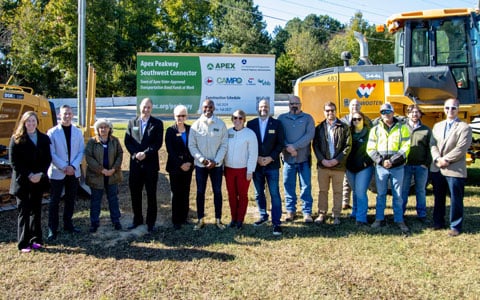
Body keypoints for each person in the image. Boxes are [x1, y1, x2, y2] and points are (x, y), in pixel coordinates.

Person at [9, 111, 52, 252]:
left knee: (36, 210)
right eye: (28, 121)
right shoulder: (16, 139)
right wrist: (29, 174)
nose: (31, 124)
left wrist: (40, 174)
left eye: (33, 121)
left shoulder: (44, 139)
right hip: (23, 181)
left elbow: (47, 159)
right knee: (24, 211)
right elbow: (14, 162)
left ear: (37, 122)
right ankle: (23, 243)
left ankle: (36, 239)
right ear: (24, 122)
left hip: (38, 180)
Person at [430, 98, 472, 237]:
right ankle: (438, 222)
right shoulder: (437, 126)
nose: (450, 110)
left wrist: (446, 159)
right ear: (444, 108)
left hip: (454, 168)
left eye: (453, 108)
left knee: (455, 199)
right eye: (447, 108)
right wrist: (437, 159)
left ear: (458, 109)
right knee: (439, 197)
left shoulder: (464, 127)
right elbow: (433, 144)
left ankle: (455, 226)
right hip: (438, 167)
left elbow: (461, 148)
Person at [367, 103, 410, 232]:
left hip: (397, 167)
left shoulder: (402, 128)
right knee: (381, 194)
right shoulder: (375, 129)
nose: (386, 114)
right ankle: (379, 219)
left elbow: (406, 147)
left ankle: (399, 220)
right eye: (383, 112)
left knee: (398, 195)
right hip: (381, 167)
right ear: (380, 114)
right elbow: (370, 148)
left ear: (393, 112)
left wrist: (392, 161)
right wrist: (381, 161)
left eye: (388, 111)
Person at [247, 99, 285, 236]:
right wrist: (257, 158)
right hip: (256, 165)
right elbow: (249, 144)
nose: (264, 109)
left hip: (272, 164)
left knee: (274, 193)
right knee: (258, 193)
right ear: (258, 108)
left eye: (266, 107)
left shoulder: (277, 124)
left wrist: (270, 158)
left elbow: (280, 144)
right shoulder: (250, 124)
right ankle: (263, 215)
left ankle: (276, 223)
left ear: (270, 108)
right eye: (261, 106)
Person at [124, 97, 163, 232]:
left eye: (148, 107)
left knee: (151, 194)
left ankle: (150, 222)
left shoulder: (157, 123)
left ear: (151, 109)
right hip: (135, 165)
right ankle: (137, 219)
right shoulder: (132, 122)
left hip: (150, 165)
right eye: (144, 107)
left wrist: (145, 153)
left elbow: (157, 143)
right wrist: (135, 154)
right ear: (140, 107)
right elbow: (127, 141)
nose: (146, 110)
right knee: (135, 194)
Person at [188, 99, 228, 230]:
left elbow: (224, 145)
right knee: (200, 192)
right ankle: (200, 220)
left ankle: (218, 220)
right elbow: (192, 146)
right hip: (201, 166)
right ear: (202, 108)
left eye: (210, 107)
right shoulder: (195, 126)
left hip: (216, 166)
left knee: (217, 192)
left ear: (214, 108)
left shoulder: (221, 124)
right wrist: (202, 160)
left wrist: (215, 161)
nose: (208, 109)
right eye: (205, 107)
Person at [47, 104, 85, 240]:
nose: (67, 116)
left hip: (73, 172)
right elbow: (51, 153)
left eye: (69, 113)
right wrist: (64, 167)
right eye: (65, 114)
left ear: (72, 115)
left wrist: (73, 167)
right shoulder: (52, 132)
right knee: (54, 201)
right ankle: (52, 228)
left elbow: (81, 151)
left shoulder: (77, 132)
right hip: (58, 172)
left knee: (70, 199)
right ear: (59, 115)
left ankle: (68, 224)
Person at [278, 95, 315, 223]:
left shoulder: (308, 118)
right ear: (288, 105)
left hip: (303, 159)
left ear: (301, 104)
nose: (294, 105)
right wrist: (288, 147)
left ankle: (307, 212)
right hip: (288, 160)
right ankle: (290, 210)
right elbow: (279, 136)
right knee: (288, 185)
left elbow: (309, 135)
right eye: (292, 103)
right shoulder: (282, 118)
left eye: (296, 103)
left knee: (305, 186)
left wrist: (294, 146)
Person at [313, 102, 351, 225]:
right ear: (324, 112)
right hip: (323, 165)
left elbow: (348, 146)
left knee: (338, 191)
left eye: (332, 110)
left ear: (336, 111)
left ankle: (336, 215)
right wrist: (322, 160)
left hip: (338, 166)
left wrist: (337, 160)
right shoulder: (319, 128)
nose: (330, 113)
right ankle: (322, 213)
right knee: (323, 191)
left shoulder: (344, 127)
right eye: (328, 110)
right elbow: (316, 145)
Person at [85, 118, 123, 233]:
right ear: (97, 129)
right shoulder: (92, 142)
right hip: (97, 176)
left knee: (113, 199)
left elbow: (120, 154)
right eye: (101, 127)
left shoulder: (114, 141)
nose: (103, 129)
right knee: (96, 200)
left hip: (112, 175)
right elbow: (89, 157)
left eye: (105, 127)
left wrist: (113, 169)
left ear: (109, 129)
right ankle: (94, 222)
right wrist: (101, 170)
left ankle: (116, 221)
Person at [224, 110, 258, 229]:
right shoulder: (227, 133)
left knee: (242, 195)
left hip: (243, 170)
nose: (237, 120)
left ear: (244, 120)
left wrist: (250, 170)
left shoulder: (250, 134)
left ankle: (240, 220)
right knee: (231, 195)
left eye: (240, 118)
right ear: (232, 119)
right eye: (235, 118)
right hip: (229, 169)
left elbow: (253, 153)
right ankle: (233, 218)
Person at [401, 105, 432, 222]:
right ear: (407, 114)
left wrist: (427, 163)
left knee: (420, 191)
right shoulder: (402, 128)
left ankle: (422, 215)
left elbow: (431, 148)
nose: (414, 114)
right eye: (412, 112)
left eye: (417, 112)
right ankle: (401, 214)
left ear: (420, 114)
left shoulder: (426, 130)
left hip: (421, 166)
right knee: (403, 191)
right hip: (405, 166)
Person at [165, 105, 194, 230]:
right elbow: (170, 151)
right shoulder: (170, 131)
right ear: (174, 116)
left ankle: (184, 217)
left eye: (183, 115)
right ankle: (176, 220)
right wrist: (181, 164)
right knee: (176, 193)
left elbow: (194, 147)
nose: (181, 118)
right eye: (178, 116)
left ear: (186, 116)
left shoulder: (190, 129)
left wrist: (189, 163)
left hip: (188, 166)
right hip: (175, 167)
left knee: (186, 192)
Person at [340, 99, 372, 210]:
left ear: (360, 107)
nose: (355, 107)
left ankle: (358, 210)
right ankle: (345, 201)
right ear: (349, 106)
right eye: (353, 105)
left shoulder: (367, 120)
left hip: (362, 160)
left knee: (358, 187)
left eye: (357, 105)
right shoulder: (343, 120)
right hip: (347, 159)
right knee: (347, 181)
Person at [345, 111, 374, 226]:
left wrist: (367, 163)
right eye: (354, 119)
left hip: (364, 167)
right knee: (355, 191)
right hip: (350, 167)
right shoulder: (348, 133)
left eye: (359, 119)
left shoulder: (370, 133)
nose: (356, 121)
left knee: (361, 192)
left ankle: (361, 218)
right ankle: (355, 212)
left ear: (364, 120)